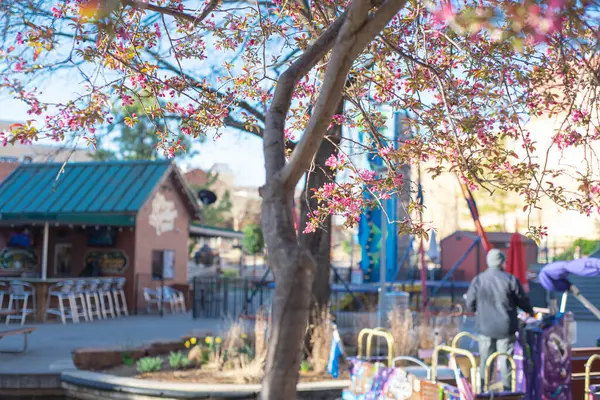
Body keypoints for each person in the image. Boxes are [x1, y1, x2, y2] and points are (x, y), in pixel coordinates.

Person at [465, 248, 534, 392]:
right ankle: (507, 392)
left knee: (485, 362)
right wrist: (530, 311)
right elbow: (523, 301)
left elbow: (470, 305)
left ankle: (483, 391)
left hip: (485, 328)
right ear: (502, 262)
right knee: (506, 361)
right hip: (506, 328)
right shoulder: (510, 280)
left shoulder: (478, 280)